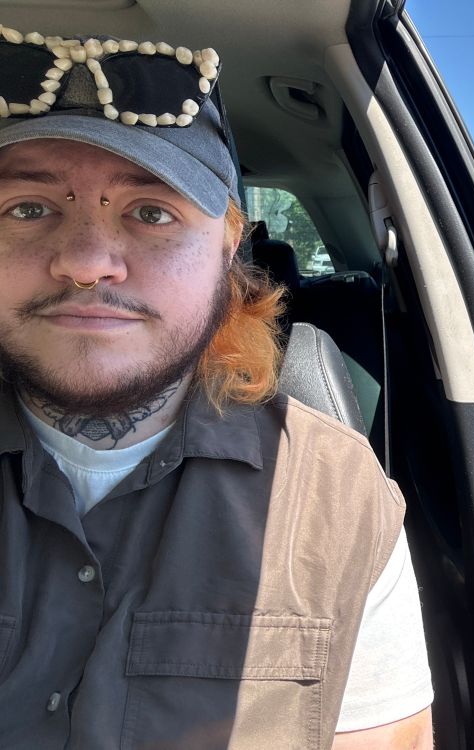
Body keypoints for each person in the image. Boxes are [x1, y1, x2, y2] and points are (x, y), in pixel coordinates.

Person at [0, 26, 433, 749]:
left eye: (152, 212)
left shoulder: (336, 496)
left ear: (229, 251)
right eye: (27, 208)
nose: (85, 262)